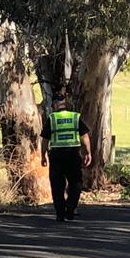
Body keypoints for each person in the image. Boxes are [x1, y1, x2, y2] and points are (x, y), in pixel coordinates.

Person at [41, 94, 91, 222]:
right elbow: (84, 136)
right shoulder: (75, 117)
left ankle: (60, 214)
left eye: (53, 106)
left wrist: (43, 156)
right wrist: (88, 153)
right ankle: (70, 207)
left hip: (57, 155)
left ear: (55, 104)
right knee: (76, 182)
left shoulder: (52, 119)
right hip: (73, 154)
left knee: (57, 185)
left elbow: (45, 140)